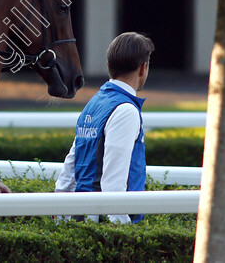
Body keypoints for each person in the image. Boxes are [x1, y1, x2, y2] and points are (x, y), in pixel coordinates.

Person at [55, 32, 154, 224]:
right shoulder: (126, 110)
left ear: (109, 66)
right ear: (143, 68)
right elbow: (113, 182)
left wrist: (60, 217)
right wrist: (121, 234)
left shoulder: (94, 103)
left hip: (82, 217)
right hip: (104, 224)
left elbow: (70, 167)